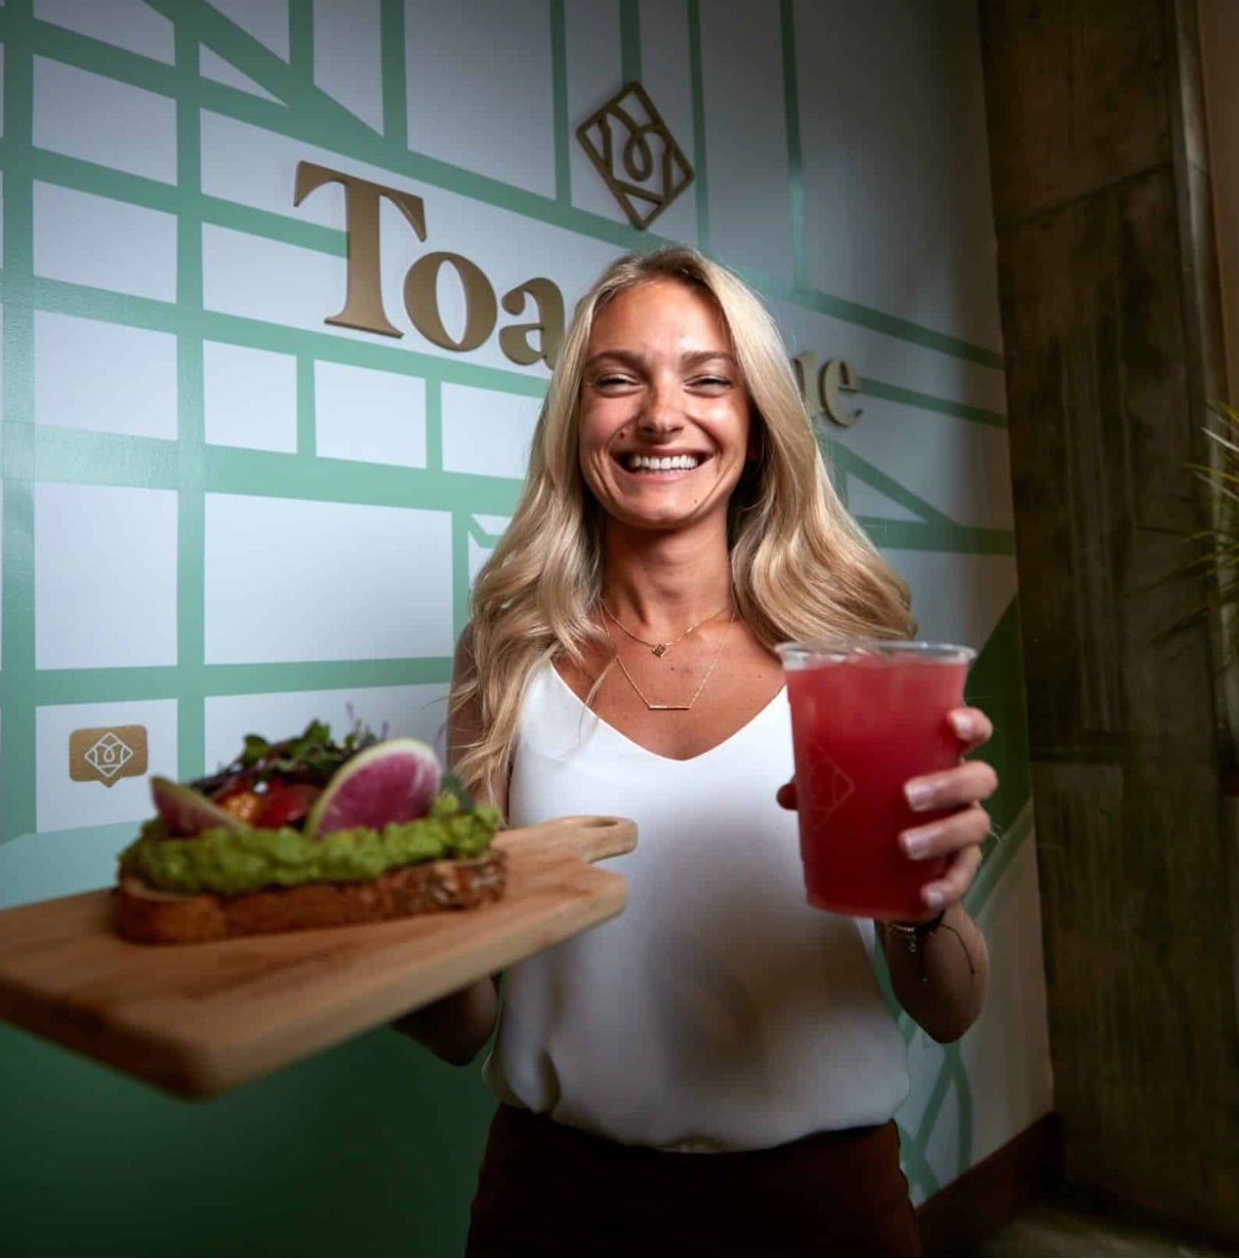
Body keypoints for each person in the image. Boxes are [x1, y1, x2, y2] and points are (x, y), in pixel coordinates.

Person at [395, 247, 996, 1256]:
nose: (660, 414)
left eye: (708, 378)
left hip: (826, 1205)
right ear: (574, 421)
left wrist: (920, 905)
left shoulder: (851, 658)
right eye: (617, 377)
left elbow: (949, 1009)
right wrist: (391, 933)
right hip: (556, 1203)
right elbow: (463, 1026)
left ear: (755, 424)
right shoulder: (503, 657)